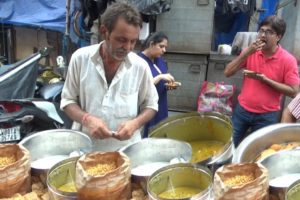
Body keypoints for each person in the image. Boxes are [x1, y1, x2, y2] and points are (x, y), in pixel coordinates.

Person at [60, 2, 159, 151]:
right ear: (104, 32)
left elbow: (151, 106)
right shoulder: (80, 58)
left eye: (133, 41)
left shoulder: (140, 66)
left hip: (126, 152)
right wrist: (87, 119)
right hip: (86, 149)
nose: (128, 47)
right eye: (122, 40)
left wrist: (135, 123)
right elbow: (67, 101)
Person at [224, 15, 299, 147]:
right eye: (261, 31)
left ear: (279, 37)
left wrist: (265, 80)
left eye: (269, 32)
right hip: (242, 111)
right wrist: (247, 53)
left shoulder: (288, 60)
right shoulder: (251, 51)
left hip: (267, 116)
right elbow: (227, 72)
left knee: (257, 152)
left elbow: (294, 91)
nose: (263, 35)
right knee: (228, 147)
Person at [137, 31, 175, 137]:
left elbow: (162, 78)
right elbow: (139, 86)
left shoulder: (159, 60)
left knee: (160, 132)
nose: (164, 50)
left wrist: (168, 85)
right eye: (161, 46)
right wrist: (160, 77)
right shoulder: (139, 62)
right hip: (147, 105)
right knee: (147, 134)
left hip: (161, 103)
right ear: (151, 44)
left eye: (165, 47)